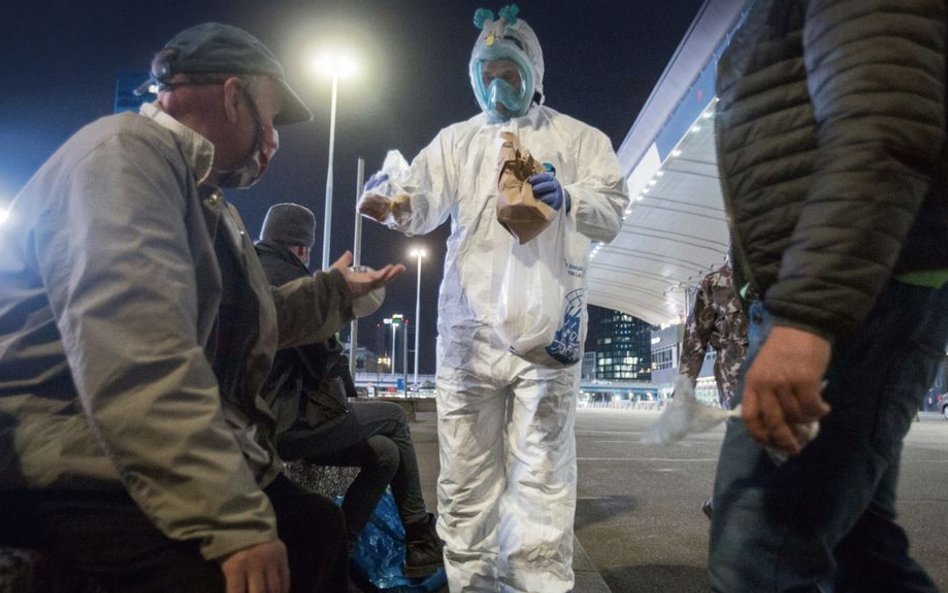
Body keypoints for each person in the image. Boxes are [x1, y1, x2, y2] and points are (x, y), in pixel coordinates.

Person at [0, 23, 405, 593]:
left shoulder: (204, 201)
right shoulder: (122, 156)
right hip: (68, 457)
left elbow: (248, 323)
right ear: (232, 96)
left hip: (117, 449)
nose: (273, 142)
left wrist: (336, 295)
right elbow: (140, 353)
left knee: (315, 525)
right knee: (222, 569)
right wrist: (231, 522)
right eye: (270, 120)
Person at [358, 6, 629, 591]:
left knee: (542, 471)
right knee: (465, 474)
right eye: (487, 74)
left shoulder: (580, 139)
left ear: (534, 69)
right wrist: (394, 201)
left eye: (510, 71)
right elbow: (419, 203)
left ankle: (536, 583)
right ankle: (469, 582)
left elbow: (612, 213)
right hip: (468, 335)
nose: (498, 85)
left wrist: (572, 197)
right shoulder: (457, 141)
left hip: (546, 333)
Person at [709, 2, 948, 592]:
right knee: (859, 550)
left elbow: (881, 120)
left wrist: (807, 318)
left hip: (853, 294)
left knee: (759, 554)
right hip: (849, 289)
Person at [254, 203, 444, 578]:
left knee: (385, 454)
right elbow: (323, 362)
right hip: (283, 422)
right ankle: (419, 538)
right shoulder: (292, 280)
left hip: (262, 416)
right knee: (391, 417)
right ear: (303, 248)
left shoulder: (252, 270)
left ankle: (340, 552)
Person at [677, 263, 748, 518]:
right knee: (747, 444)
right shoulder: (715, 282)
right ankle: (726, 504)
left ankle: (724, 503)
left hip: (779, 374)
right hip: (735, 382)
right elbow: (695, 339)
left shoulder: (785, 269)